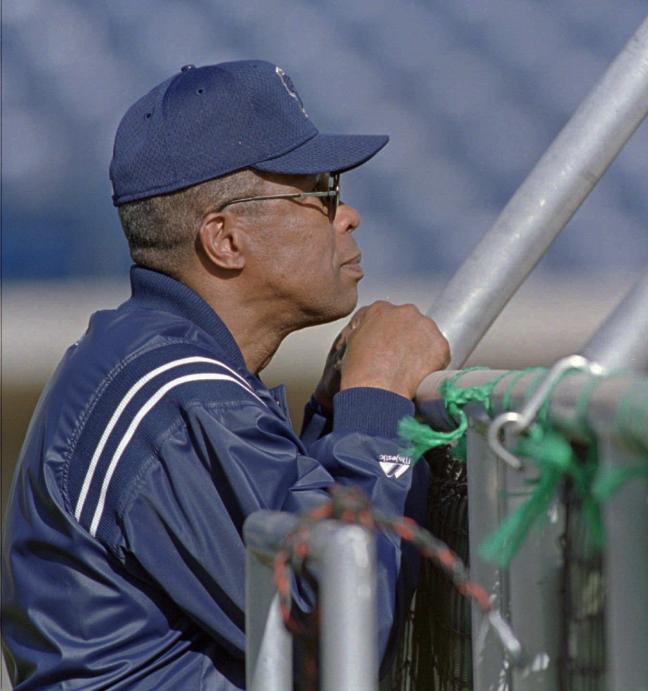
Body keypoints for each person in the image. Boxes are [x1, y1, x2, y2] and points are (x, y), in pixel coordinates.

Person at [1, 59, 450, 689]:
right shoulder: (176, 395)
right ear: (225, 240)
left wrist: (334, 418)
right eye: (320, 192)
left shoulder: (163, 363)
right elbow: (335, 636)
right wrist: (375, 405)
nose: (347, 216)